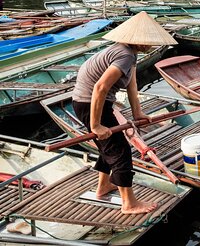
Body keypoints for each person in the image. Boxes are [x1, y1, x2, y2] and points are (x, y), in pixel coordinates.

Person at [72, 11, 177, 214]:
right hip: (89, 102)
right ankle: (128, 203)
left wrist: (138, 114)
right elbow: (100, 88)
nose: (150, 44)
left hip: (92, 103)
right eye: (147, 40)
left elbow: (132, 85)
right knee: (120, 150)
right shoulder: (125, 54)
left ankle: (103, 186)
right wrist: (95, 125)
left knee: (108, 145)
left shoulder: (130, 54)